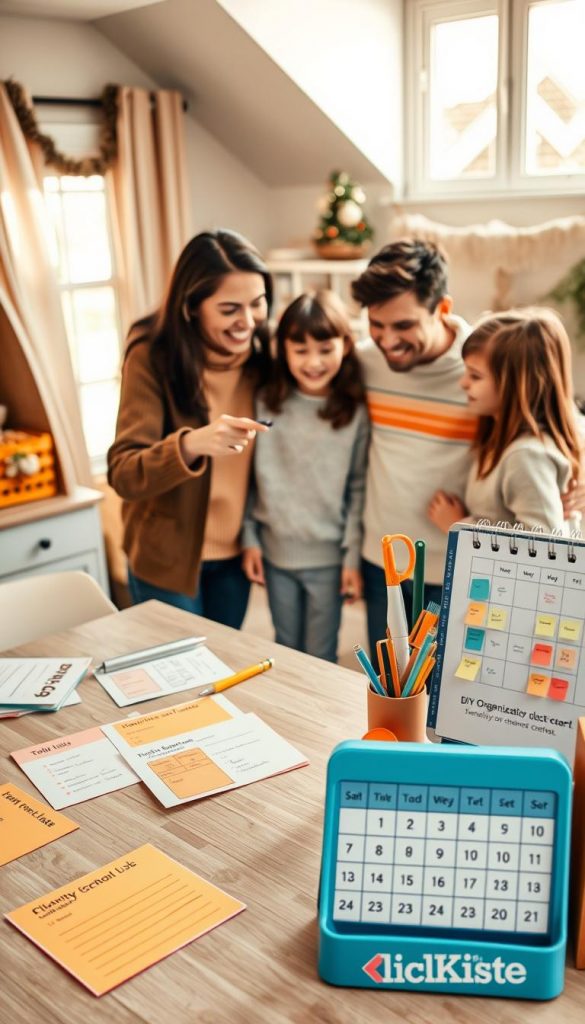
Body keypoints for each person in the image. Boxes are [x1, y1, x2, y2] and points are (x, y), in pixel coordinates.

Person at [351, 240, 583, 656]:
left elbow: (559, 420)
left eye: (402, 326)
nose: (387, 341)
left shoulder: (487, 364)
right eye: (376, 324)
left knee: (449, 693)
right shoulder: (365, 361)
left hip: (454, 566)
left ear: (442, 308)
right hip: (382, 559)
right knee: (391, 687)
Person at [107, 229, 272, 628]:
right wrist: (193, 443)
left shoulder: (266, 353)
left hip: (235, 555)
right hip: (167, 558)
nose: (247, 322)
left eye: (258, 303)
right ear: (192, 307)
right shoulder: (152, 354)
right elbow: (124, 472)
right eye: (230, 308)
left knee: (221, 671)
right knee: (178, 682)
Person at [241, 290, 369, 662]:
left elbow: (358, 486)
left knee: (320, 653)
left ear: (345, 345)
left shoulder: (353, 411)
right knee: (284, 646)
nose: (314, 362)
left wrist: (351, 559)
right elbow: (247, 475)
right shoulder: (265, 401)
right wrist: (250, 537)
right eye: (301, 350)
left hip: (328, 559)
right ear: (283, 349)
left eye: (325, 349)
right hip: (275, 553)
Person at [428, 308, 582, 534]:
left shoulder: (527, 456)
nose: (463, 383)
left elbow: (545, 549)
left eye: (475, 376)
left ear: (516, 386)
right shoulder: (499, 438)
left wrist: (459, 526)